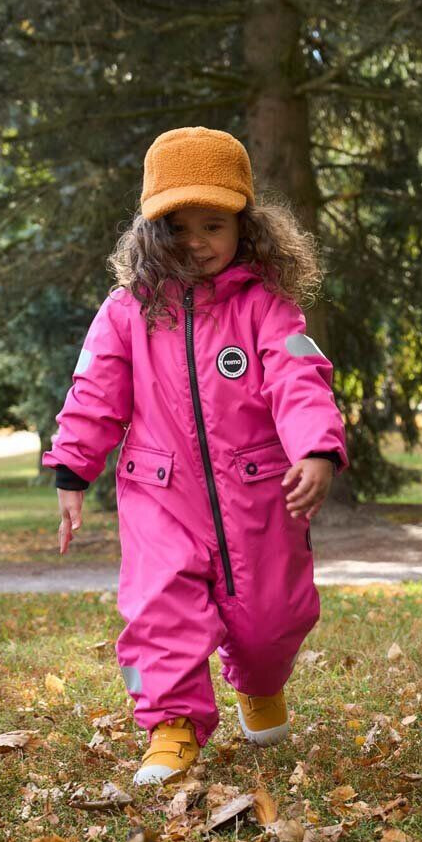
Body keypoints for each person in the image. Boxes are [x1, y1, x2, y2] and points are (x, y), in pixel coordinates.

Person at [44, 127, 347, 786]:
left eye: (214, 224)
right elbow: (95, 390)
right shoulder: (128, 312)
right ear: (152, 231)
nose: (197, 241)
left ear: (246, 226)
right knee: (160, 608)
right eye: (178, 226)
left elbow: (298, 381)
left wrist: (316, 447)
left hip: (260, 493)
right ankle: (171, 725)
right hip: (160, 490)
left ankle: (260, 682)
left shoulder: (268, 309)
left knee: (271, 621)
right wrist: (73, 467)